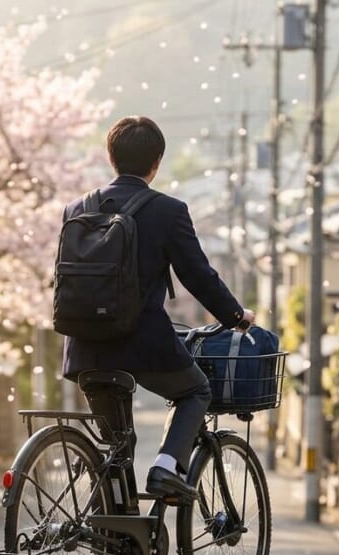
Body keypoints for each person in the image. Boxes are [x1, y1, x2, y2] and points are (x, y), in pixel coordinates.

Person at [61, 115, 255, 505]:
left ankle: (106, 541)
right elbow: (198, 275)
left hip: (84, 350)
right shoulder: (168, 211)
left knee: (116, 448)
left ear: (111, 156)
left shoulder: (76, 208)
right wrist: (236, 316)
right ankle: (166, 467)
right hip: (141, 344)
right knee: (196, 390)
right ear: (157, 162)